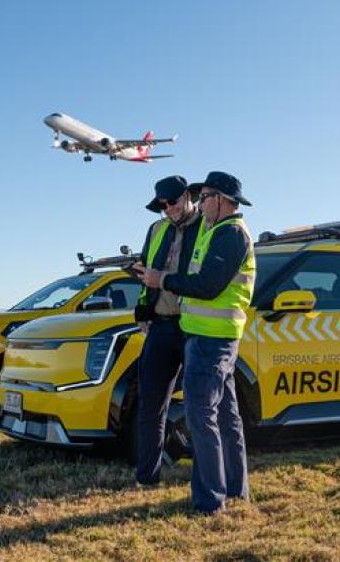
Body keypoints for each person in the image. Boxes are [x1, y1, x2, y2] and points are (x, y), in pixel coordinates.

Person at [136, 171, 254, 514]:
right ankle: (233, 491)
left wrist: (163, 280)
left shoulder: (228, 232)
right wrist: (146, 303)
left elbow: (206, 286)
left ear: (220, 199)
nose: (201, 205)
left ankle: (209, 501)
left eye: (204, 198)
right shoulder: (213, 229)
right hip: (200, 334)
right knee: (223, 416)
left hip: (209, 338)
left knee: (202, 417)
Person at [131, 175, 204, 487]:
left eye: (172, 202)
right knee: (150, 405)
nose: (168, 209)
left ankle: (204, 478)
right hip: (159, 327)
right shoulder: (156, 229)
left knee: (200, 407)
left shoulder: (208, 226)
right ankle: (146, 478)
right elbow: (145, 272)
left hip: (194, 327)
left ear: (188, 196)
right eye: (162, 205)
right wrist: (143, 311)